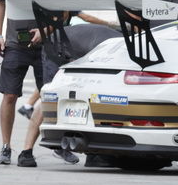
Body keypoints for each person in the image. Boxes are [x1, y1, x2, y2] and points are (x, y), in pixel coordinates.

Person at [0, 0, 65, 166]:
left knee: (46, 96)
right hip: (14, 44)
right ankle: (5, 147)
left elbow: (62, 14)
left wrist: (44, 32)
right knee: (10, 96)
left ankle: (27, 150)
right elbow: (0, 4)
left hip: (45, 47)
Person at [17, 23, 121, 167]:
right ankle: (26, 152)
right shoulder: (116, 49)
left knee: (91, 98)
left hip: (77, 48)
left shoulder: (119, 44)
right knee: (50, 97)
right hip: (56, 46)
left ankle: (93, 155)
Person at [17, 0, 115, 120]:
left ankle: (28, 106)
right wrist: (108, 24)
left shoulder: (61, 4)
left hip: (55, 44)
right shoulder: (66, 4)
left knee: (49, 79)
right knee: (52, 80)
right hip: (55, 46)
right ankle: (35, 108)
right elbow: (87, 18)